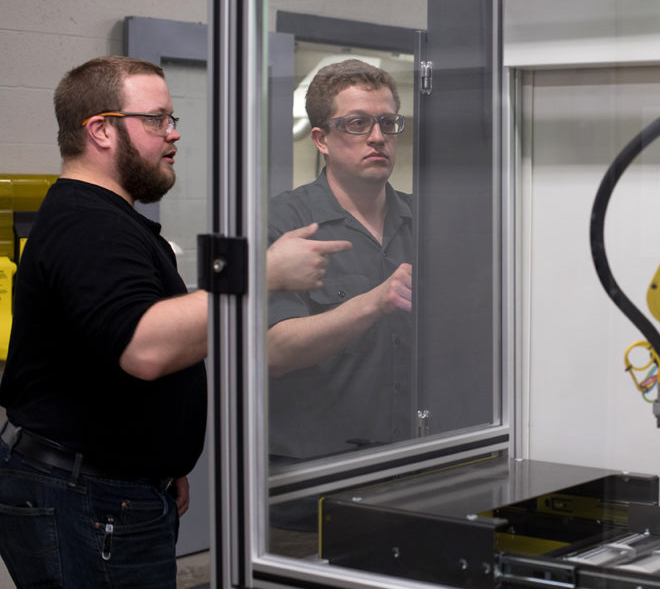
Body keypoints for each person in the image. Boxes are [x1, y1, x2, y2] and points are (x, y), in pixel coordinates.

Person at [0, 56, 347, 589]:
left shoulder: (105, 219)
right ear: (100, 129)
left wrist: (158, 464)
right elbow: (145, 347)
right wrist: (263, 274)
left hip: (112, 484)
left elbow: (112, 342)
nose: (174, 133)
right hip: (84, 495)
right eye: (157, 119)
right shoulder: (87, 225)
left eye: (172, 118)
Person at [266, 59, 414, 471]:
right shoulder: (285, 223)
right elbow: (274, 351)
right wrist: (375, 302)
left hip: (409, 463)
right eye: (357, 124)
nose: (378, 137)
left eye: (388, 122)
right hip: (311, 481)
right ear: (322, 139)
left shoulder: (423, 221)